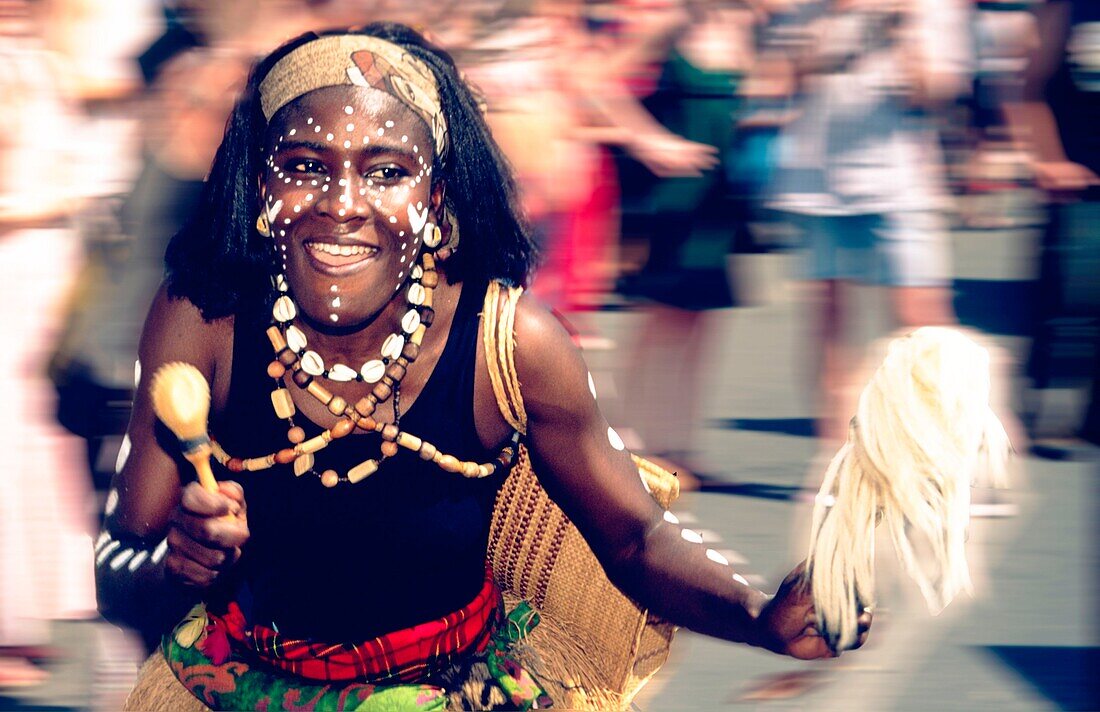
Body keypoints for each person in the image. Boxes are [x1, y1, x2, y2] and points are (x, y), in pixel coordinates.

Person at [95, 23, 869, 710]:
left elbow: (635, 539)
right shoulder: (203, 322)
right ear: (262, 187)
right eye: (305, 164)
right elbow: (118, 568)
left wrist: (758, 615)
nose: (343, 201)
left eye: (387, 171)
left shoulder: (513, 345)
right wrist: (176, 567)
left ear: (435, 199)